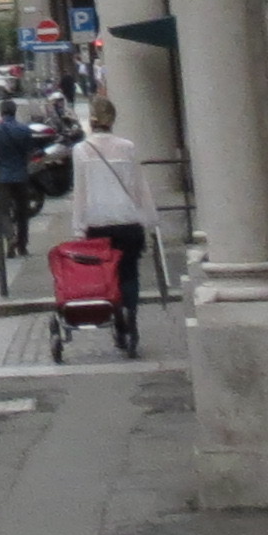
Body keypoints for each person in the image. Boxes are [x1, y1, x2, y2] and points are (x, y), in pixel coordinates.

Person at [73, 95, 156, 353]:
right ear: (113, 120)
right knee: (130, 272)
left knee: (107, 277)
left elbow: (80, 193)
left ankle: (118, 320)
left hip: (98, 224)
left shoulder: (81, 150)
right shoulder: (128, 147)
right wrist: (149, 219)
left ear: (92, 120)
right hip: (128, 221)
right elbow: (139, 187)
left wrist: (78, 228)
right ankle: (131, 318)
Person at [0, 99, 40, 264]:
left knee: (2, 211)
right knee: (23, 212)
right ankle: (22, 245)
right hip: (21, 176)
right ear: (15, 112)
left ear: (1, 112)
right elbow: (30, 151)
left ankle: (10, 237)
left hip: (1, 177)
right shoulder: (24, 129)